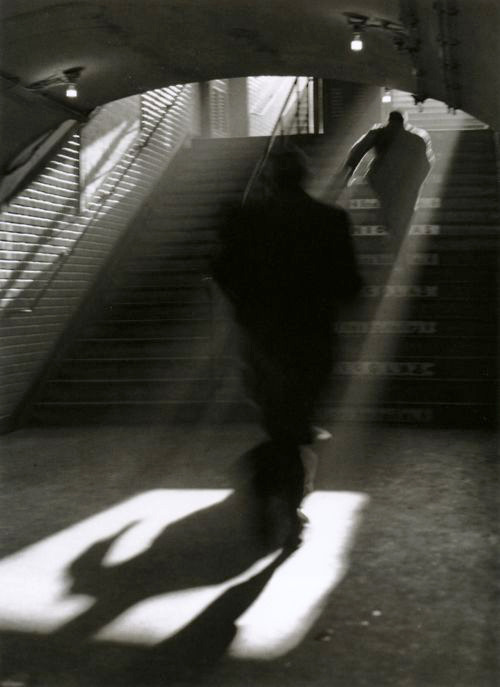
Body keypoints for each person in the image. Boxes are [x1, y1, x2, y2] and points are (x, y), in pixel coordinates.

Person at [213, 146, 362, 547]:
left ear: (268, 179)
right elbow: (350, 285)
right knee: (294, 426)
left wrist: (248, 308)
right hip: (312, 339)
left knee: (281, 423)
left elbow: (221, 270)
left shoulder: (246, 220)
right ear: (304, 176)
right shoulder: (331, 221)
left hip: (262, 339)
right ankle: (283, 503)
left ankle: (271, 492)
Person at [341, 110, 434, 248]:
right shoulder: (416, 139)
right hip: (405, 181)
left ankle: (392, 233)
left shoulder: (379, 133)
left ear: (389, 121)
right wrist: (416, 184)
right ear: (404, 123)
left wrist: (347, 175)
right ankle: (398, 237)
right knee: (402, 208)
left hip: (382, 179)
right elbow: (426, 164)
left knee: (388, 206)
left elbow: (357, 152)